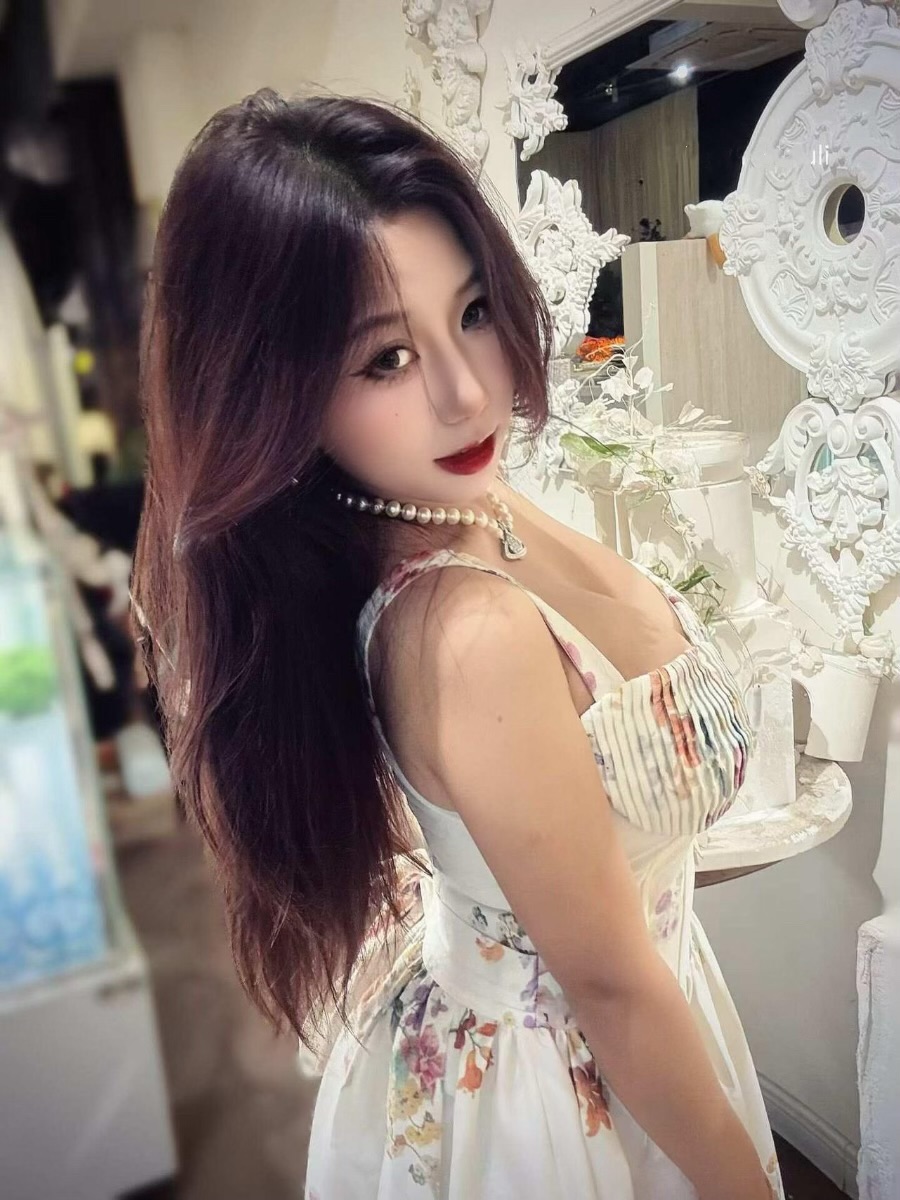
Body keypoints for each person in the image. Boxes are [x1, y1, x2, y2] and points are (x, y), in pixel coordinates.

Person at [130, 87, 784, 1200]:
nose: (468, 389)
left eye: (472, 310)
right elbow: (610, 991)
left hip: (621, 1031)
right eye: (384, 359)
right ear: (279, 397)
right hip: (568, 1093)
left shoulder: (467, 504)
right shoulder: (464, 629)